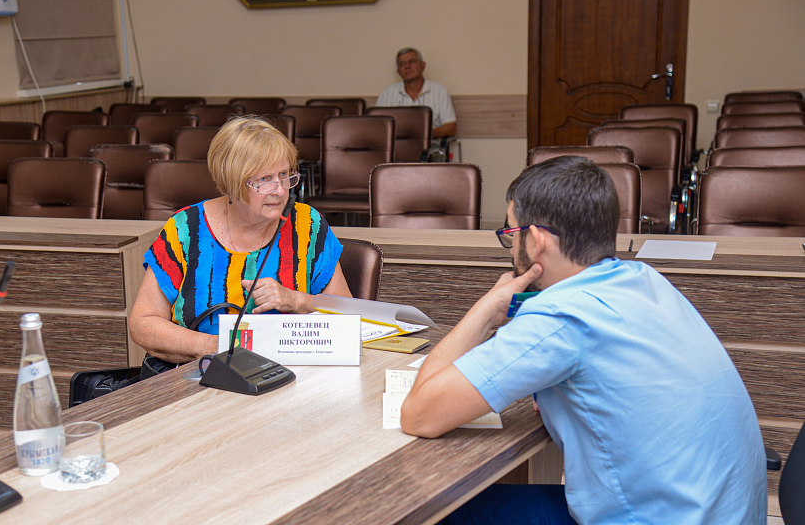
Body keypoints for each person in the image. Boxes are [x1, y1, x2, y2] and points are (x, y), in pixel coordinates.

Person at [400, 156, 767, 524]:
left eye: (511, 234)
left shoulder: (561, 316)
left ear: (537, 241)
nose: (511, 249)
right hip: (718, 513)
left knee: (432, 511)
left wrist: (486, 309)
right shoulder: (645, 280)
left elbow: (419, 414)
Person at [129, 117, 352, 368]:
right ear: (231, 182)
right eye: (265, 179)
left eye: (284, 175)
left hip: (288, 374)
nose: (280, 190)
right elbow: (143, 323)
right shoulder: (185, 230)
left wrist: (296, 300)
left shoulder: (307, 225)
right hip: (199, 377)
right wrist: (216, 347)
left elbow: (348, 313)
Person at [376, 47, 457, 139]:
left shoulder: (439, 90)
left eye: (412, 61)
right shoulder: (387, 93)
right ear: (399, 72)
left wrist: (423, 135)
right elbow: (377, 127)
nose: (407, 66)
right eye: (402, 64)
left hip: (430, 148)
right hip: (396, 149)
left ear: (423, 66)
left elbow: (451, 128)